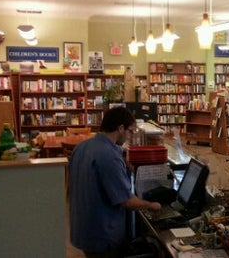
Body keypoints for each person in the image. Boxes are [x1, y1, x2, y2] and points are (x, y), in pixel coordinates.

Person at [69, 107, 161, 258]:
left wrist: (125, 164)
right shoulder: (109, 155)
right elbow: (127, 201)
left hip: (83, 227)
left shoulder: (82, 147)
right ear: (120, 128)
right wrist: (151, 205)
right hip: (102, 233)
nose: (130, 137)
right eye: (130, 131)